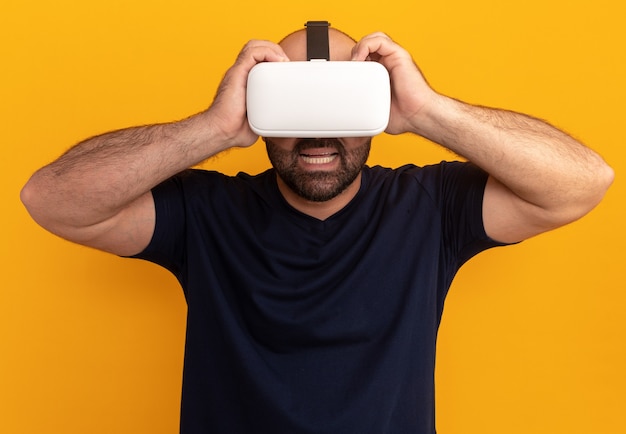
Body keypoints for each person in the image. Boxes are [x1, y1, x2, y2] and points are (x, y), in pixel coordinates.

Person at [21, 25, 613, 434]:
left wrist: (427, 111)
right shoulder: (205, 213)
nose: (317, 134)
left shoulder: (430, 206)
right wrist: (215, 129)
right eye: (294, 102)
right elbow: (49, 199)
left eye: (338, 103)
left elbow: (584, 181)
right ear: (258, 105)